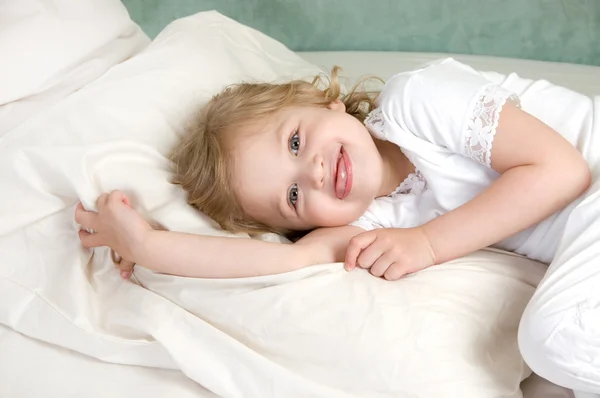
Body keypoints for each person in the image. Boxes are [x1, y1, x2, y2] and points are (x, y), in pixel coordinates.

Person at [75, 58, 600, 394]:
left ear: (323, 102)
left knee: (552, 341)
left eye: (296, 143)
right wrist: (148, 244)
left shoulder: (416, 101)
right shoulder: (371, 219)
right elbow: (284, 260)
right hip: (586, 240)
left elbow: (562, 171)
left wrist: (428, 243)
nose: (316, 171)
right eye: (295, 196)